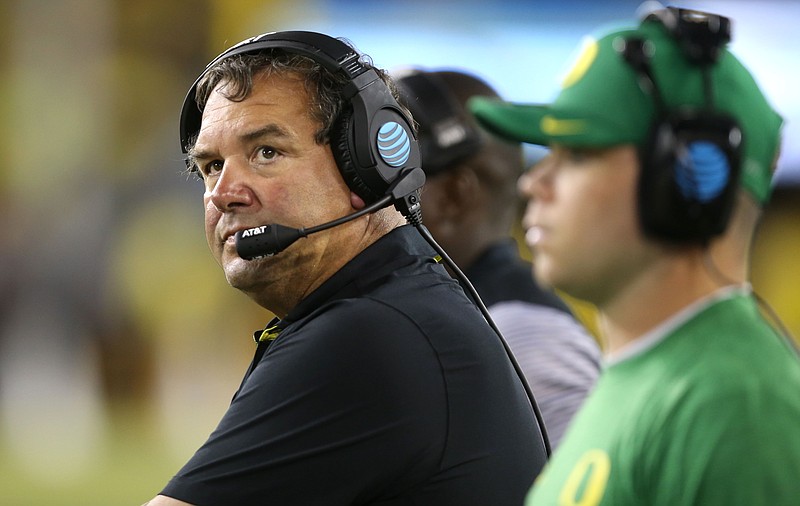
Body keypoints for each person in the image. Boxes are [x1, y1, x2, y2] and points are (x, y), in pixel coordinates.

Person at [143, 31, 547, 506]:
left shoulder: (369, 333)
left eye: (265, 152)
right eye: (211, 165)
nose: (223, 192)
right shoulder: (393, 304)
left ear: (367, 165)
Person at [468, 6, 800, 505]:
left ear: (688, 180)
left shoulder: (733, 402)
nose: (533, 182)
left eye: (577, 154)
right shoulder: (652, 375)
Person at [394, 68, 601, 449]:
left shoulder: (524, 336)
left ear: (453, 196)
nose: (355, 205)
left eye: (385, 183)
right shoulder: (455, 318)